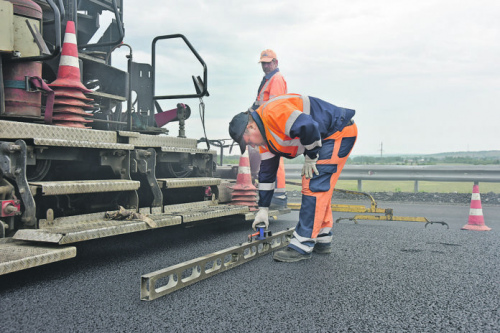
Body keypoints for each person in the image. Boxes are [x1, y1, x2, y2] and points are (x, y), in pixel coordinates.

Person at [229, 94, 357, 262]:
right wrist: (263, 209)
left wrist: (311, 157)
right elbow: (267, 174)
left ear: (251, 126)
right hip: (326, 136)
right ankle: (322, 237)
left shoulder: (273, 113)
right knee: (318, 187)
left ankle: (303, 244)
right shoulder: (265, 140)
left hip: (337, 132)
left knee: (314, 186)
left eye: (248, 142)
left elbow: (308, 125)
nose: (251, 146)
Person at [248, 49, 288, 207]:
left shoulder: (276, 79)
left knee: (273, 160)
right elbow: (260, 104)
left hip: (271, 126)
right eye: (263, 63)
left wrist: (267, 127)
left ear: (275, 62)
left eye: (268, 62)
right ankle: (275, 194)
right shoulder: (268, 79)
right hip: (266, 125)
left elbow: (275, 107)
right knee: (270, 160)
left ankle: (278, 195)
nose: (265, 66)